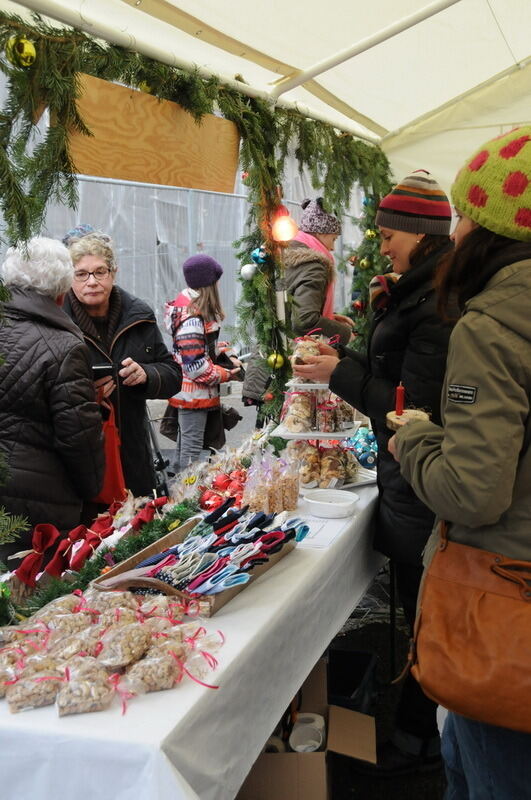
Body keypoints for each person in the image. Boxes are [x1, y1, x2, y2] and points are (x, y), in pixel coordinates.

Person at [293, 171, 455, 775]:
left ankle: (420, 740)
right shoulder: (416, 290)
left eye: (389, 234)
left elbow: (409, 408)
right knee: (420, 610)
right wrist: (347, 356)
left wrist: (338, 373)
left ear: (419, 235)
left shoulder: (436, 305)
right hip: (403, 477)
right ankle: (421, 727)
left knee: (427, 616)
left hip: (419, 481)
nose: (381, 245)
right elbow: (393, 379)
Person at [389, 126, 531, 798]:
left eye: (463, 213)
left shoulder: (493, 323)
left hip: (507, 608)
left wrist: (415, 440)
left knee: (489, 775)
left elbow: (474, 493)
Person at [0, 237, 105, 563]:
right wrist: (91, 489)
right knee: (28, 594)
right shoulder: (63, 347)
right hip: (36, 502)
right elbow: (79, 439)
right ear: (62, 289)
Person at [62, 227, 182, 497]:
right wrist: (85, 394)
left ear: (113, 273)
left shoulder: (138, 314)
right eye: (81, 274)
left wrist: (147, 375)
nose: (91, 281)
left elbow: (173, 374)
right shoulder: (58, 322)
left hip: (132, 451)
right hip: (81, 458)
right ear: (69, 279)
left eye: (100, 272)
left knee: (137, 527)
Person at [164, 254, 241, 473]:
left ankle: (180, 493)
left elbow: (204, 348)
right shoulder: (191, 318)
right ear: (210, 284)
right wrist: (227, 374)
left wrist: (226, 353)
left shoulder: (194, 312)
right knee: (191, 452)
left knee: (186, 447)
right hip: (192, 395)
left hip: (192, 393)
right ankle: (184, 497)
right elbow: (196, 366)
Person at [283, 197, 354, 345]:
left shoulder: (288, 254)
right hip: (291, 356)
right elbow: (305, 320)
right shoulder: (313, 264)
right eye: (333, 239)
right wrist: (344, 333)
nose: (333, 248)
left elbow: (292, 309)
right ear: (321, 233)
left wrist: (329, 318)